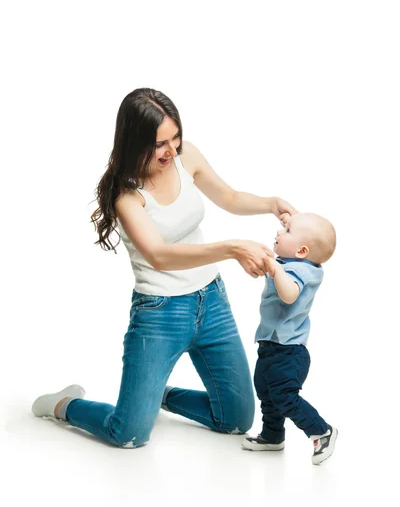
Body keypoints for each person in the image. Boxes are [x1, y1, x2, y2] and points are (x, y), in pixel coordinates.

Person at [32, 88, 296, 449]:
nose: (171, 151)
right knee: (128, 433)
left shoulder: (185, 157)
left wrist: (271, 203)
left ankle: (160, 395)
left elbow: (229, 197)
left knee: (236, 419)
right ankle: (64, 405)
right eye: (160, 144)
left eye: (176, 137)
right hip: (160, 314)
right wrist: (232, 248)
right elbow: (159, 255)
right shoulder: (126, 194)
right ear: (134, 143)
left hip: (211, 302)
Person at [242, 212, 338, 465]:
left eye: (286, 232)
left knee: (284, 396)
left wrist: (274, 268)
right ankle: (273, 435)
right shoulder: (293, 263)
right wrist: (290, 222)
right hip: (272, 345)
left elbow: (289, 295)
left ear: (302, 250)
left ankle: (321, 431)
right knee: (265, 391)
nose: (278, 232)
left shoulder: (301, 271)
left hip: (288, 351)